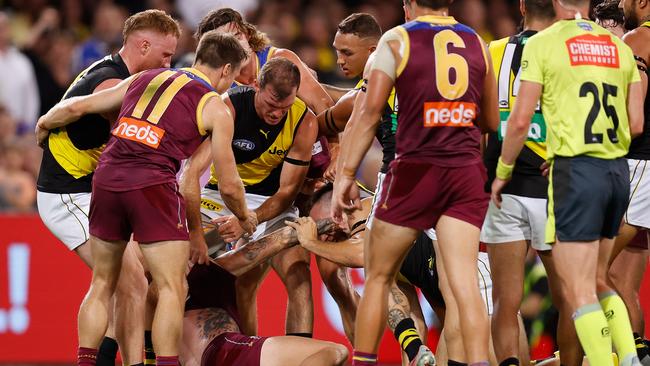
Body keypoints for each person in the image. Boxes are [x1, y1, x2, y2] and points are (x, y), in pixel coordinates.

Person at [35, 32, 255, 366]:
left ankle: (87, 361)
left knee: (103, 283)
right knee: (171, 287)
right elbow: (229, 185)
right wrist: (245, 217)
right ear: (225, 70)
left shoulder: (144, 77)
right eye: (234, 76)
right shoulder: (214, 105)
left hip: (107, 178)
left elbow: (77, 106)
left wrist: (44, 123)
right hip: (151, 184)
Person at [332, 1, 500, 364]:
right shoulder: (478, 44)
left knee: (378, 276)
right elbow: (489, 120)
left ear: (408, 5)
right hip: (465, 173)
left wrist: (346, 176)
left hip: (414, 172)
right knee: (464, 285)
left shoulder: (395, 41)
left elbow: (369, 112)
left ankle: (364, 360)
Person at [491, 0, 644, 364]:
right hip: (617, 173)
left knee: (577, 289)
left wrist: (501, 173)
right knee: (595, 279)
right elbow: (635, 123)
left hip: (577, 174)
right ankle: (629, 358)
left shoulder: (546, 43)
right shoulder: (618, 46)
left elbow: (519, 119)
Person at [34, 10, 181, 365]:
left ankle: (103, 360)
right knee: (129, 281)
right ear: (143, 45)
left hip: (95, 190)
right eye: (165, 55)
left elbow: (68, 108)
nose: (169, 63)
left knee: (130, 280)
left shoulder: (114, 72)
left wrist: (45, 123)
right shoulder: (110, 83)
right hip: (68, 193)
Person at [184, 8, 333, 338]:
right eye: (270, 105)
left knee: (298, 276)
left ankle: (298, 356)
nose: (276, 113)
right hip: (222, 197)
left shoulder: (302, 114)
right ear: (255, 86)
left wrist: (336, 161)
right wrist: (199, 232)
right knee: (192, 268)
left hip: (276, 198)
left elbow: (286, 194)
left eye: (285, 106)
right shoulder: (225, 101)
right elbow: (191, 174)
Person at [482, 1, 562, 365]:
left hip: (504, 187)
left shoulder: (494, 51)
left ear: (522, 5)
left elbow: (482, 122)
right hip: (555, 187)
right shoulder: (566, 52)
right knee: (571, 299)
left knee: (505, 300)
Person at [181, 219, 349, 366]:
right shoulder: (188, 278)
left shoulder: (205, 269)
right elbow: (281, 239)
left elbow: (280, 240)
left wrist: (330, 223)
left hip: (226, 350)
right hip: (225, 351)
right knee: (334, 352)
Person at [615, 0, 650, 363]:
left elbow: (631, 118)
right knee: (621, 283)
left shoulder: (638, 40)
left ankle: (630, 355)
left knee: (590, 272)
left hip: (639, 167)